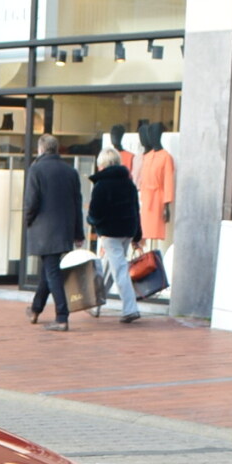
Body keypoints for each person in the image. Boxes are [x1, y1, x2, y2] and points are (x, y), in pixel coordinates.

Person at [22, 134, 83, 331]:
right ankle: (35, 308)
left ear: (41, 149)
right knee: (49, 271)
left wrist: (28, 220)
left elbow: (31, 201)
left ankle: (62, 316)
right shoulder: (70, 171)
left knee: (52, 272)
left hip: (44, 230)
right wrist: (78, 232)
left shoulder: (36, 169)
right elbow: (77, 204)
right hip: (63, 229)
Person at [86, 137, 144, 324]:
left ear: (102, 164)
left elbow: (94, 212)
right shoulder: (128, 184)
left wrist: (94, 223)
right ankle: (95, 305)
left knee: (119, 269)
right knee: (110, 266)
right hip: (127, 230)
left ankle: (130, 308)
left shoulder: (101, 185)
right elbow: (136, 209)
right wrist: (137, 234)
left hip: (110, 232)